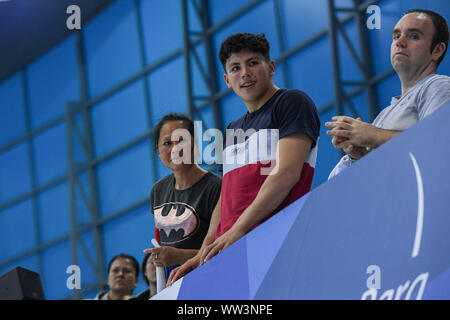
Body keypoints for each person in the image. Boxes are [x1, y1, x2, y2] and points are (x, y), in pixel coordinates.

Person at [167, 32, 320, 286]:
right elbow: (225, 196)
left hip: (278, 245)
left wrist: (239, 230)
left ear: (270, 67)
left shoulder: (291, 102)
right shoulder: (232, 129)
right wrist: (206, 247)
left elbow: (286, 173)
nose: (245, 73)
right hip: (231, 253)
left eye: (253, 63)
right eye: (236, 68)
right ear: (227, 80)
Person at [326, 9, 450, 179]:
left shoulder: (438, 85)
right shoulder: (384, 114)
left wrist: (373, 135)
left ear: (437, 50)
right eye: (396, 36)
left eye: (414, 36)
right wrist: (358, 156)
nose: (400, 42)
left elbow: (440, 144)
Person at [143, 113, 222, 280]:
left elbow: (224, 248)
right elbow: (161, 242)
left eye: (181, 140)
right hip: (173, 285)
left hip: (211, 278)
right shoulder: (158, 191)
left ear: (196, 144)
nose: (175, 149)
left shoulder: (216, 187)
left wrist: (180, 256)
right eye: (167, 143)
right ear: (157, 151)